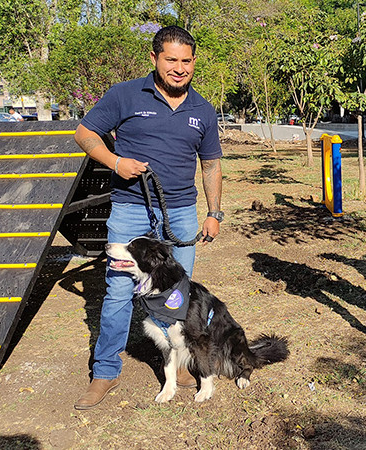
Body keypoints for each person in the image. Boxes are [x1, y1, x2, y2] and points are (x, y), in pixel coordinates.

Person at [72, 25, 223, 409]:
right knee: (120, 292)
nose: (179, 68)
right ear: (154, 58)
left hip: (182, 215)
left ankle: (181, 363)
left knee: (178, 297)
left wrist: (214, 212)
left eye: (186, 61)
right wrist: (114, 161)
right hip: (130, 210)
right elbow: (85, 132)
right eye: (171, 59)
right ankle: (105, 371)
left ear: (194, 62)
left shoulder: (203, 109)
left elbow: (210, 164)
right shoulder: (124, 95)